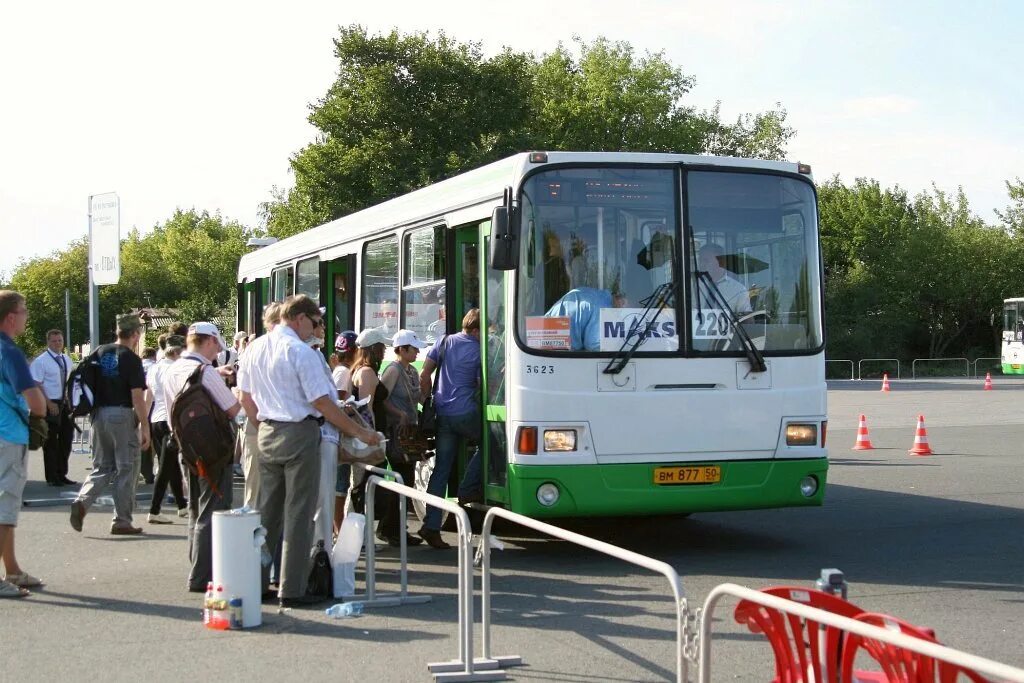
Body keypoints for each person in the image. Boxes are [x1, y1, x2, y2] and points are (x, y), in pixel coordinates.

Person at [237, 294, 379, 607]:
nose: (314, 330)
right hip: (299, 432)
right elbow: (322, 403)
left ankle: (257, 582)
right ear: (299, 318)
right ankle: (292, 588)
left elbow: (245, 397)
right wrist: (360, 432)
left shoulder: (254, 348)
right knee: (299, 513)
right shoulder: (299, 352)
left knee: (267, 514)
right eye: (313, 323)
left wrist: (262, 426)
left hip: (266, 430)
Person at [161, 323, 240, 592]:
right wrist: (236, 389)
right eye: (217, 345)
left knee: (196, 510)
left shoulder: (173, 368)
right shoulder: (205, 372)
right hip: (213, 450)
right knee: (213, 510)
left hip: (187, 447)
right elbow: (232, 408)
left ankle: (196, 565)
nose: (218, 351)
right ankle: (202, 576)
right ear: (208, 342)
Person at [69, 315, 151, 536]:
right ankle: (122, 520)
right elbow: (137, 397)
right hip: (122, 414)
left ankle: (82, 501)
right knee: (127, 467)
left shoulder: (99, 351)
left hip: (98, 415)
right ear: (135, 334)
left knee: (102, 467)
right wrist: (145, 426)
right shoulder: (131, 359)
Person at [417, 309, 484, 550]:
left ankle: (431, 525)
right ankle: (467, 489)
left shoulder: (444, 341)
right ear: (476, 330)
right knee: (491, 443)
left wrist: (426, 400)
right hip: (465, 414)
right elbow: (480, 383)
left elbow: (425, 374)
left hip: (442, 414)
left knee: (441, 470)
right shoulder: (478, 350)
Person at [0, 291, 47, 597]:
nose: (27, 316)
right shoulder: (10, 351)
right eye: (25, 311)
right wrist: (40, 417)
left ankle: (13, 569)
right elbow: (34, 398)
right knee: (5, 506)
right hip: (8, 434)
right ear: (11, 317)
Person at [377, 329, 430, 547]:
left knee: (406, 480)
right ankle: (391, 529)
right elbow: (381, 399)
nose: (417, 352)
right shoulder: (393, 370)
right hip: (396, 433)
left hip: (409, 432)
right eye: (413, 348)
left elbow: (417, 398)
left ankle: (392, 528)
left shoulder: (411, 372)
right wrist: (398, 414)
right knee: (402, 479)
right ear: (402, 349)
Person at [235, 303, 281, 510]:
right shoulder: (259, 348)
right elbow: (244, 395)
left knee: (259, 485)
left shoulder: (255, 347)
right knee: (257, 484)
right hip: (260, 425)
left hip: (261, 424)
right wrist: (261, 425)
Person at [143, 335, 187, 524]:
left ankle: (181, 505)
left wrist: (143, 422)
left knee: (171, 464)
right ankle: (154, 509)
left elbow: (149, 396)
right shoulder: (177, 369)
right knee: (166, 465)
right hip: (170, 421)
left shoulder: (154, 368)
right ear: (178, 351)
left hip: (155, 419)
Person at [29, 329, 77, 487]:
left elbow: (71, 381)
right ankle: (52, 476)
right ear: (48, 342)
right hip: (50, 402)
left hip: (65, 403)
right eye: (54, 341)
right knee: (51, 442)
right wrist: (49, 403)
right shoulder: (42, 361)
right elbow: (36, 383)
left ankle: (62, 473)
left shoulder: (66, 359)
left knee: (67, 439)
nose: (57, 344)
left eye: (60, 341)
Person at [331, 330, 357, 536]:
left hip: (339, 433)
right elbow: (338, 401)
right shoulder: (343, 373)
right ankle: (338, 528)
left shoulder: (341, 370)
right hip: (340, 435)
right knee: (340, 485)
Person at [545, 287, 626, 352]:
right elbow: (592, 345)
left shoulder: (601, 296)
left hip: (546, 336)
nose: (624, 311)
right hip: (557, 349)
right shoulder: (603, 307)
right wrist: (620, 346)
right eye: (626, 306)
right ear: (621, 300)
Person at [697, 244, 752, 314]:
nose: (701, 264)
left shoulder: (739, 290)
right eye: (700, 260)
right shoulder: (692, 286)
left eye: (706, 261)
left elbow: (747, 321)